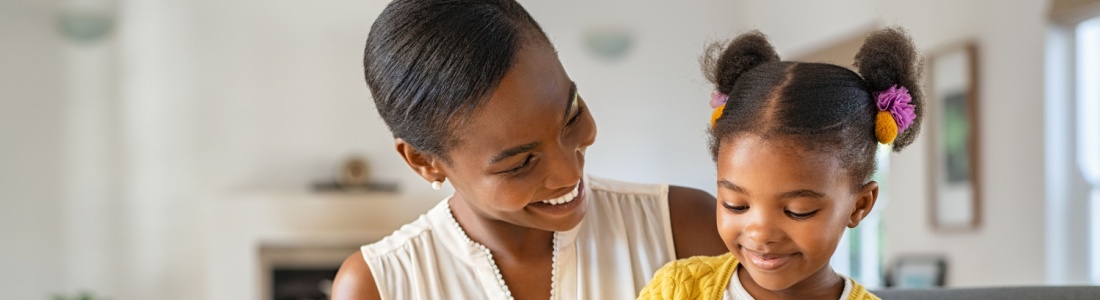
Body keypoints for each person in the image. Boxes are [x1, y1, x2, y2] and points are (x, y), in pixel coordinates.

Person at [331, 0, 727, 299]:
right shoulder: (378, 286)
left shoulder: (685, 228)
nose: (569, 174)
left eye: (571, 117)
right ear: (424, 161)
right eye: (520, 163)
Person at [637, 27, 924, 300]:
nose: (760, 232)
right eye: (735, 204)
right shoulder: (677, 289)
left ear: (859, 205)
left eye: (798, 211)